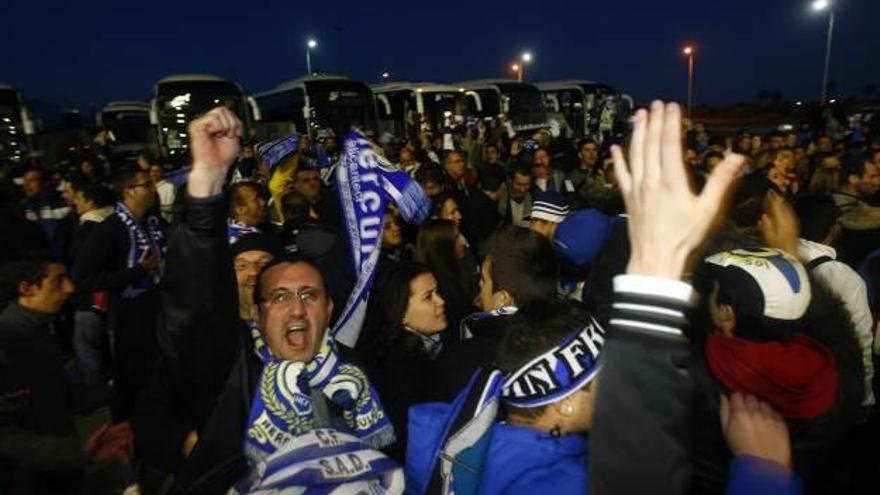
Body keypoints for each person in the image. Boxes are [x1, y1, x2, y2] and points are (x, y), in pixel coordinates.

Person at [156, 108, 392, 493]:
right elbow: (192, 306)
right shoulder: (234, 370)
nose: (297, 308)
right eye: (280, 296)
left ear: (329, 309)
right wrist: (207, 185)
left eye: (309, 295)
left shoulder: (356, 373)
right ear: (259, 313)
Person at [590, 101, 801, 495]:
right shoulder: (825, 372)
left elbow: (636, 471)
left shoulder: (700, 379)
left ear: (726, 313)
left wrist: (654, 270)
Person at [0, 257, 133, 494]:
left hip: (63, 471)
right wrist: (77, 453)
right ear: (26, 288)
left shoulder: (39, 330)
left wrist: (126, 388)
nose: (70, 288)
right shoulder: (8, 343)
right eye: (58, 280)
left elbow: (63, 393)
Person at [72, 167, 166, 421]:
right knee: (133, 382)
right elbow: (82, 280)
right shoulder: (110, 229)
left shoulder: (154, 222)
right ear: (129, 192)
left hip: (159, 313)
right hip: (127, 319)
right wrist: (136, 272)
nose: (153, 189)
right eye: (146, 185)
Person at [430, 226, 560, 401]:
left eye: (484, 281)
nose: (480, 288)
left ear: (503, 299)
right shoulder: (574, 334)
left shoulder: (461, 362)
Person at [359, 262, 449, 460]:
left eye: (438, 292)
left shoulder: (428, 347)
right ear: (400, 313)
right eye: (428, 297)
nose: (441, 301)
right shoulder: (399, 369)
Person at [793, 194, 875, 408]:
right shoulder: (841, 275)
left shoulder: (775, 258)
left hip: (785, 384)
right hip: (828, 389)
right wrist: (865, 396)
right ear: (834, 229)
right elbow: (861, 340)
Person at [68, 182, 116, 388]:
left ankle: (96, 392)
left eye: (78, 198)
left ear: (91, 202)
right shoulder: (120, 222)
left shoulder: (87, 228)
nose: (74, 202)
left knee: (86, 345)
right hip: (115, 297)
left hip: (92, 300)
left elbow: (81, 268)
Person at [415, 219, 476, 332]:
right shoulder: (436, 287)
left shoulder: (461, 267)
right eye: (456, 238)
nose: (463, 241)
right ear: (442, 247)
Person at [19, 167, 73, 258]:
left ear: (45, 183)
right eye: (25, 181)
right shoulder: (22, 207)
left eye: (32, 180)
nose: (26, 185)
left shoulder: (62, 203)